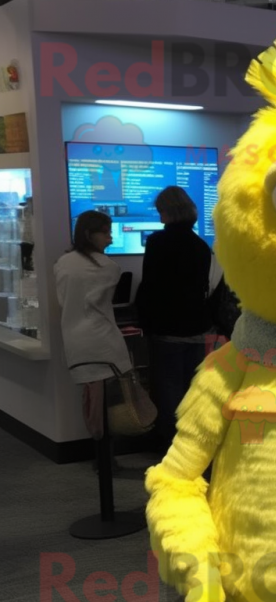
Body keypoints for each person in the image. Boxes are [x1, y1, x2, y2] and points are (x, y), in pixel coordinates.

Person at [135, 186, 216, 451]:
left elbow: (151, 286)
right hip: (197, 326)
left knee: (167, 388)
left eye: (160, 210)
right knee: (192, 387)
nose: (158, 216)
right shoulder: (201, 246)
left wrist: (143, 321)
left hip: (167, 327)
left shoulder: (158, 242)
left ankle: (169, 444)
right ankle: (192, 442)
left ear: (168, 212)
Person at [54, 210, 132, 441]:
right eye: (106, 233)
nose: (111, 238)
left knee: (91, 397)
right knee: (108, 402)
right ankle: (105, 455)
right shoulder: (108, 267)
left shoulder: (62, 263)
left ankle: (100, 451)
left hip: (74, 338)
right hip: (102, 339)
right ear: (89, 234)